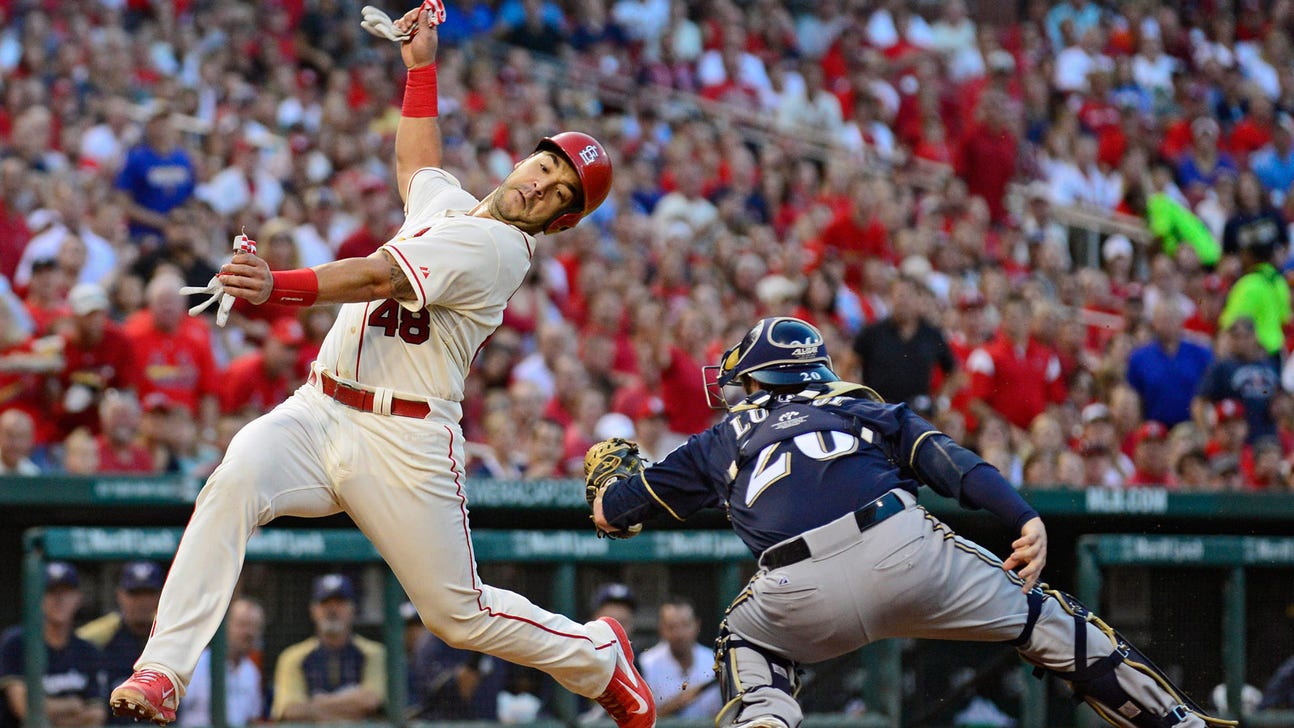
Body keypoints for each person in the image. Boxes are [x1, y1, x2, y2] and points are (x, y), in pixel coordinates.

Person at [108, 6, 652, 728]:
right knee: (234, 478)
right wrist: (420, 69)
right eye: (546, 167)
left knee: (458, 617)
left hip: (406, 441)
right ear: (526, 157)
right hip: (319, 408)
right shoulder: (456, 206)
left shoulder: (500, 252)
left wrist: (281, 288)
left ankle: (598, 655)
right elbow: (417, 167)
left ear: (560, 222)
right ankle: (163, 671)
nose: (543, 187)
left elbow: (378, 279)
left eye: (560, 196)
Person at [588, 316, 1233, 728]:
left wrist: (609, 480)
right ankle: (1178, 723)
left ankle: (764, 722)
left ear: (759, 380)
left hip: (793, 587)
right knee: (1044, 619)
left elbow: (614, 514)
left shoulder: (723, 435)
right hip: (903, 548)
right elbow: (953, 466)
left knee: (746, 643)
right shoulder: (861, 407)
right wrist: (1024, 516)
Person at [0, 562, 107, 727]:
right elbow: (24, 708)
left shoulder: (88, 651)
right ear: (37, 597)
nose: (59, 600)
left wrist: (50, 711)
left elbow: (97, 715)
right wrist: (72, 705)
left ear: (78, 598)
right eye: (51, 592)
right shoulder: (16, 643)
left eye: (66, 592)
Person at [270, 574, 385, 722]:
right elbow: (290, 710)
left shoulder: (374, 653)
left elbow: (371, 701)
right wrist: (352, 704)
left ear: (353, 609)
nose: (332, 609)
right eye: (325, 603)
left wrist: (318, 703)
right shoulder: (293, 656)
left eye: (340, 602)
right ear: (313, 610)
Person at [77, 560, 165, 724]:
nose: (142, 601)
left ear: (160, 596)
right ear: (120, 595)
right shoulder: (102, 637)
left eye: (148, 593)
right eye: (135, 593)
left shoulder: (168, 638)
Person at [177, 598, 265, 727]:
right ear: (225, 625)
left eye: (254, 627)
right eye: (242, 625)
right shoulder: (196, 664)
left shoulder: (251, 672)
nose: (249, 633)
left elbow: (252, 718)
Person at [639, 597, 723, 720]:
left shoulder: (715, 661)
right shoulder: (646, 664)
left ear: (697, 625)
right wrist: (677, 703)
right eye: (672, 626)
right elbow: (641, 720)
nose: (679, 634)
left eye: (685, 625)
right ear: (661, 629)